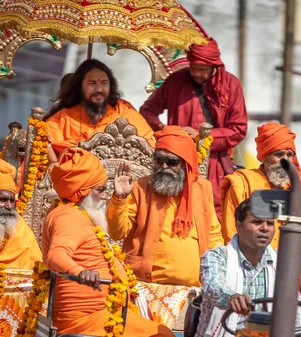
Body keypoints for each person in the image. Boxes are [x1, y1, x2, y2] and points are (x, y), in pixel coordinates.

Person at [42, 147, 173, 336]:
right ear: (81, 192)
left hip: (101, 313)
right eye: (101, 190)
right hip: (86, 320)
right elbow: (56, 255)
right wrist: (80, 272)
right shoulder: (68, 217)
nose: (105, 195)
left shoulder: (73, 213)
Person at [140, 38, 248, 217]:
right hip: (176, 162)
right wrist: (167, 131)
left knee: (212, 211)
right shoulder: (176, 80)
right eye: (193, 68)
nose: (196, 73)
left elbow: (238, 129)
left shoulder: (231, 84)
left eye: (202, 70)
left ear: (214, 66)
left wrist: (202, 136)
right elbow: (147, 111)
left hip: (215, 163)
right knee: (172, 207)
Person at [107, 126, 223, 287]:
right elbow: (117, 233)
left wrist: (217, 272)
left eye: (171, 162)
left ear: (185, 164)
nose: (163, 167)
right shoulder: (139, 188)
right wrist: (119, 198)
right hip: (146, 285)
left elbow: (213, 234)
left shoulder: (203, 189)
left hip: (193, 287)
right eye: (159, 160)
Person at [196, 198, 301, 337]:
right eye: (257, 222)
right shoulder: (216, 256)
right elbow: (212, 287)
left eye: (270, 223)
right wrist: (230, 298)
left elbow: (295, 311)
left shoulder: (282, 262)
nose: (265, 228)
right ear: (238, 226)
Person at [221, 122, 301, 248]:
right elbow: (230, 233)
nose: (285, 161)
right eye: (279, 154)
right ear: (264, 158)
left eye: (289, 155)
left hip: (291, 264)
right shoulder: (241, 184)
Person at [46, 59, 155, 162]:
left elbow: (150, 147)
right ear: (79, 87)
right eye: (92, 83)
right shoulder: (63, 119)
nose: (99, 89)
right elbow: (46, 149)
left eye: (104, 83)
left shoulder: (124, 110)